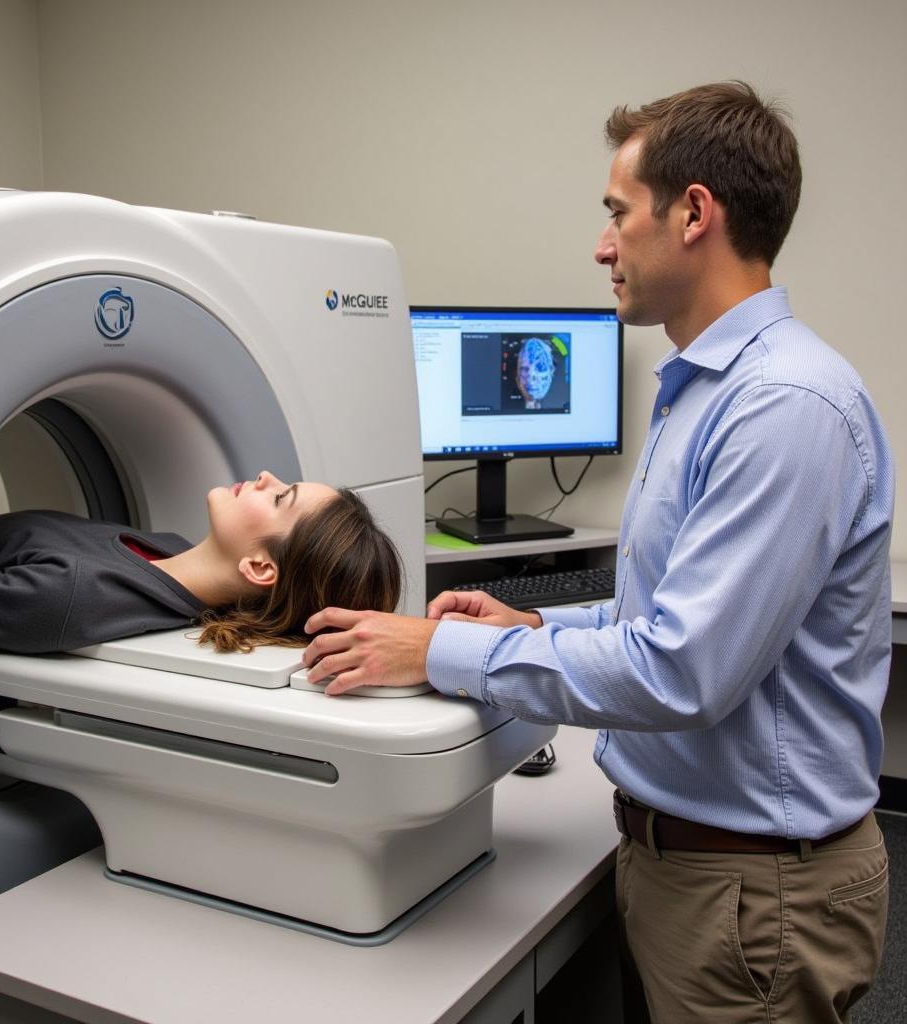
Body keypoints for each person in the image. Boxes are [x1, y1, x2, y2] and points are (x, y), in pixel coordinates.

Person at [301, 82, 892, 1022]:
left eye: (618, 213)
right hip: (686, 864)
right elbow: (653, 611)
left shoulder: (784, 407)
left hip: (755, 895)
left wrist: (440, 652)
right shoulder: (700, 389)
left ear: (694, 212)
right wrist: (532, 619)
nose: (602, 244)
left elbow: (681, 671)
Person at [0, 470, 401, 655]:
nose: (265, 477)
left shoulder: (70, 595)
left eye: (281, 497)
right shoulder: (164, 552)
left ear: (259, 567)